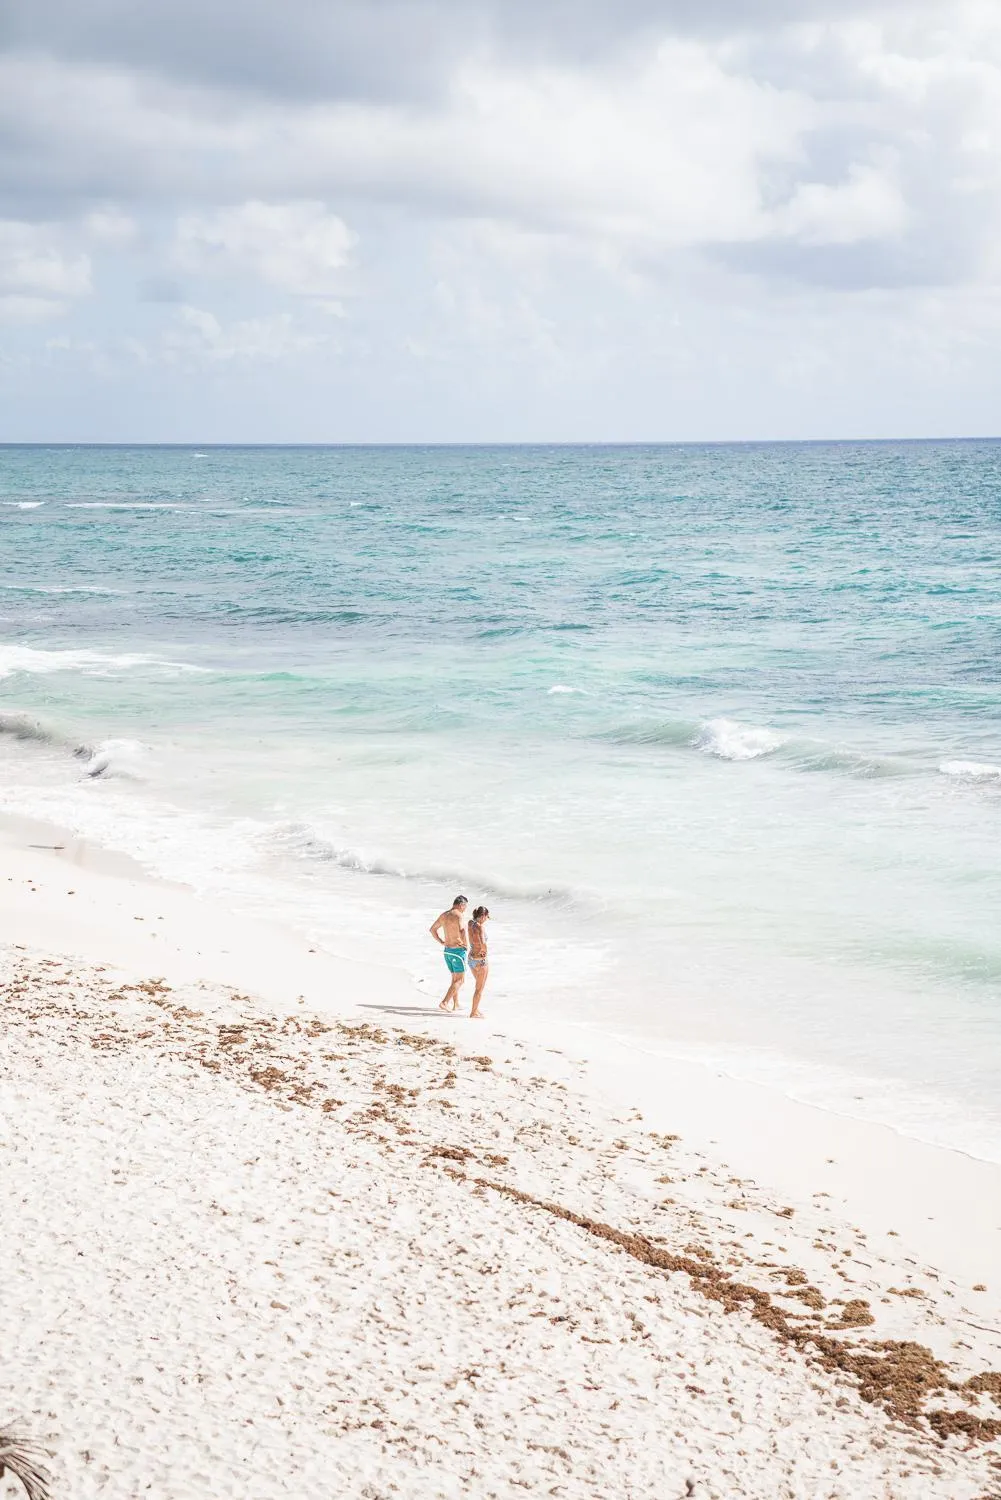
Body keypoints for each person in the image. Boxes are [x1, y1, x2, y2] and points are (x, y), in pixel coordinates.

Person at [429, 895, 469, 1012]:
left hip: (447, 952)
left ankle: (456, 1004)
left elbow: (432, 929)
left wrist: (441, 941)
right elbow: (462, 930)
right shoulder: (459, 915)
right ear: (461, 904)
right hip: (457, 951)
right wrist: (465, 944)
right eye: (465, 906)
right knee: (460, 980)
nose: (465, 909)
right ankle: (445, 1002)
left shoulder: (444, 915)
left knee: (454, 979)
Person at [467, 905, 490, 1019]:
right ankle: (473, 1012)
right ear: (483, 916)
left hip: (471, 959)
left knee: (478, 986)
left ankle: (475, 1008)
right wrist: (484, 952)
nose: (486, 919)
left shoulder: (470, 923)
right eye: (486, 917)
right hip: (480, 961)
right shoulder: (480, 927)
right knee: (479, 988)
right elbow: (482, 942)